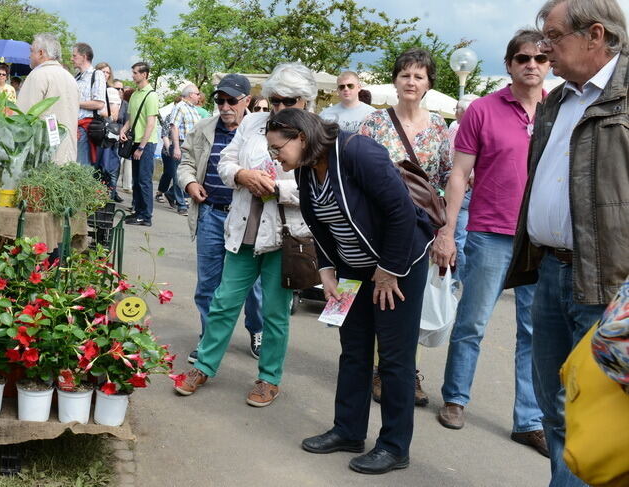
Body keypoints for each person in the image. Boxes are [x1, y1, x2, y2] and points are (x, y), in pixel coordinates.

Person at [505, 1, 629, 484]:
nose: (542, 47)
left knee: (597, 413)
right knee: (554, 407)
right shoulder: (557, 99)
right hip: (551, 272)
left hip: (609, 284)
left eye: (552, 36)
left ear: (595, 34)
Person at [272, 108, 433, 475]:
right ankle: (348, 431)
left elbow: (401, 213)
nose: (274, 156)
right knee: (354, 350)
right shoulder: (306, 167)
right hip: (352, 269)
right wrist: (326, 269)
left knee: (394, 359)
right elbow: (318, 222)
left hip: (398, 267)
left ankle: (394, 446)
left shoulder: (357, 152)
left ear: (300, 137)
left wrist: (389, 272)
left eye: (277, 147)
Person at [431, 29, 550, 457]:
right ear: (509, 64)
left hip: (541, 239)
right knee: (473, 323)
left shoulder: (558, 110)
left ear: (550, 64)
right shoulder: (483, 110)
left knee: (536, 333)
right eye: (523, 58)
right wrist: (447, 231)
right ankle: (456, 398)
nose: (531, 65)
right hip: (489, 232)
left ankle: (529, 420)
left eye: (540, 58)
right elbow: (459, 174)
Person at [173, 63, 316, 408]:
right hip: (244, 229)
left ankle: (269, 378)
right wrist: (241, 175)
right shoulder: (253, 123)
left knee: (275, 312)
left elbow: (317, 191)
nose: (280, 107)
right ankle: (205, 365)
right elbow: (224, 163)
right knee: (223, 301)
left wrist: (276, 189)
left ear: (305, 101)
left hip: (284, 236)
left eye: (288, 101)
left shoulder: (316, 134)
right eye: (274, 100)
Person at [358, 47, 451, 407]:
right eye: (405, 75)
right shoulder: (374, 123)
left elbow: (445, 177)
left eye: (419, 76)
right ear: (395, 81)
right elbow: (358, 172)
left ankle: (405, 370)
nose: (411, 82)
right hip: (378, 224)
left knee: (411, 300)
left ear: (428, 83)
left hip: (420, 229)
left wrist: (437, 220)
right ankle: (381, 369)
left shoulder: (440, 127)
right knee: (382, 294)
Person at [177, 74, 265, 364]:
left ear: (246, 101)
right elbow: (186, 163)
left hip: (248, 219)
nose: (225, 106)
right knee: (207, 284)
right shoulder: (204, 128)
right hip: (211, 214)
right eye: (220, 100)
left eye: (231, 101)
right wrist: (190, 183)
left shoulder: (261, 131)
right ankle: (209, 338)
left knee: (252, 286)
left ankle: (257, 330)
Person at [17, 33, 79, 164]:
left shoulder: (38, 75)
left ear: (40, 53)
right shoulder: (70, 78)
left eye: (31, 51)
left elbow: (23, 116)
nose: (29, 56)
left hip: (43, 154)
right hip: (68, 153)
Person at [119, 62, 160, 226]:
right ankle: (138, 211)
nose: (133, 75)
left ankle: (146, 216)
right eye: (133, 72)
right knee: (136, 179)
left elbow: (151, 124)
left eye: (136, 73)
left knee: (144, 180)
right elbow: (131, 119)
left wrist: (142, 147)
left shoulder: (151, 95)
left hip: (146, 143)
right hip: (134, 140)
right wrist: (123, 130)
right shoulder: (135, 94)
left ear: (144, 74)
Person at [446, 93, 480, 282]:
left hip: (463, 188)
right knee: (464, 237)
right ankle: (461, 277)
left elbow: (454, 160)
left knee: (459, 237)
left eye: (457, 109)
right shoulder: (456, 127)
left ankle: (455, 279)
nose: (455, 112)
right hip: (468, 187)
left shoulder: (458, 128)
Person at [159, 84, 202, 215]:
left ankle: (171, 194)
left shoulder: (193, 109)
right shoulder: (180, 107)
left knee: (189, 174)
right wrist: (176, 147)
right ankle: (181, 204)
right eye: (197, 94)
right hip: (182, 145)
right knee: (179, 174)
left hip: (192, 146)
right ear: (190, 95)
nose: (199, 96)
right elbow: (174, 127)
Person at [72, 42, 107, 166]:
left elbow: (99, 104)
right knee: (75, 165)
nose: (72, 59)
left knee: (82, 166)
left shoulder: (97, 74)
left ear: (84, 56)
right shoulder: (76, 77)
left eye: (74, 56)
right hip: (75, 127)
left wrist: (75, 103)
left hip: (85, 128)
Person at [95, 62, 125, 202]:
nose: (105, 75)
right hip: (92, 132)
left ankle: (106, 203)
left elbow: (114, 115)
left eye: (107, 72)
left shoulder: (111, 91)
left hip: (104, 134)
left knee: (106, 169)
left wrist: (95, 108)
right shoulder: (93, 87)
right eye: (102, 72)